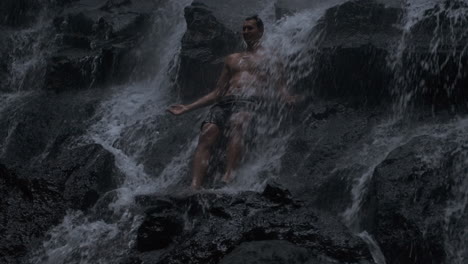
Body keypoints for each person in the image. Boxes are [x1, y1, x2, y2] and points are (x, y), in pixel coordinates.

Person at [167, 15, 295, 190]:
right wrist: (187, 108)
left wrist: (287, 97)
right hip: (225, 102)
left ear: (261, 31)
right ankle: (194, 185)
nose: (245, 31)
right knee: (207, 133)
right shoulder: (232, 59)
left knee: (238, 122)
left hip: (249, 102)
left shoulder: (272, 57)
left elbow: (281, 86)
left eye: (250, 28)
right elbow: (217, 92)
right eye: (243, 28)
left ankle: (227, 178)